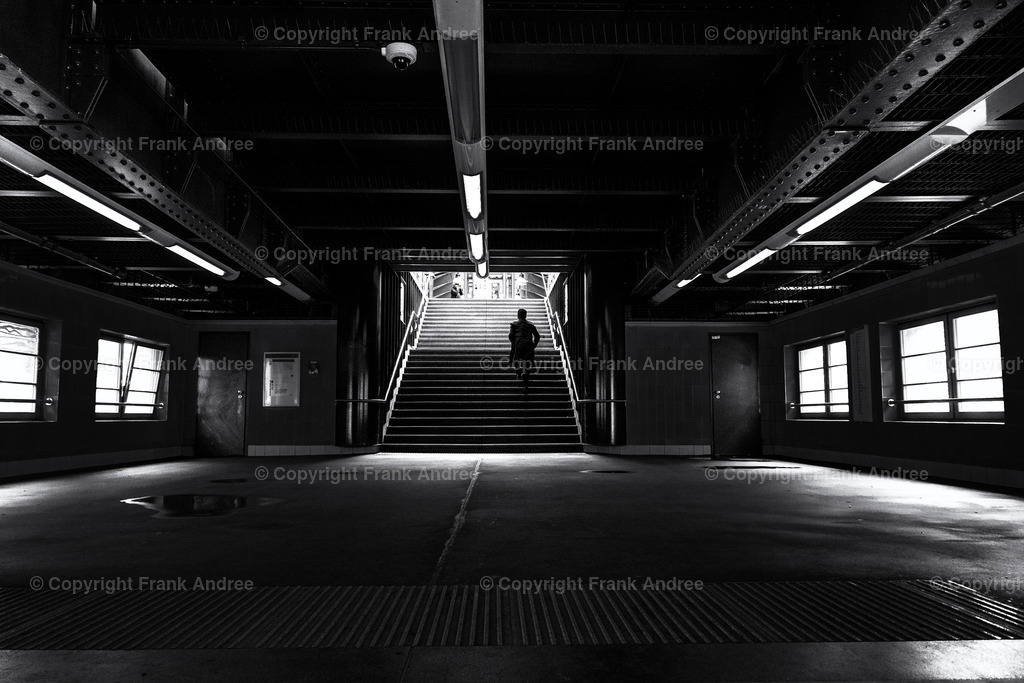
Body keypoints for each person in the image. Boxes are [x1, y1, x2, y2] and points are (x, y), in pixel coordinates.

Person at [508, 308, 540, 393]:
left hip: (518, 346)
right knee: (526, 366)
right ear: (526, 315)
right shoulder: (530, 325)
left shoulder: (514, 324)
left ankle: (518, 370)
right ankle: (525, 386)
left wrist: (514, 343)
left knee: (514, 357)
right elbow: (537, 336)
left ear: (518, 315)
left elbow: (511, 336)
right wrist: (534, 345)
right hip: (528, 346)